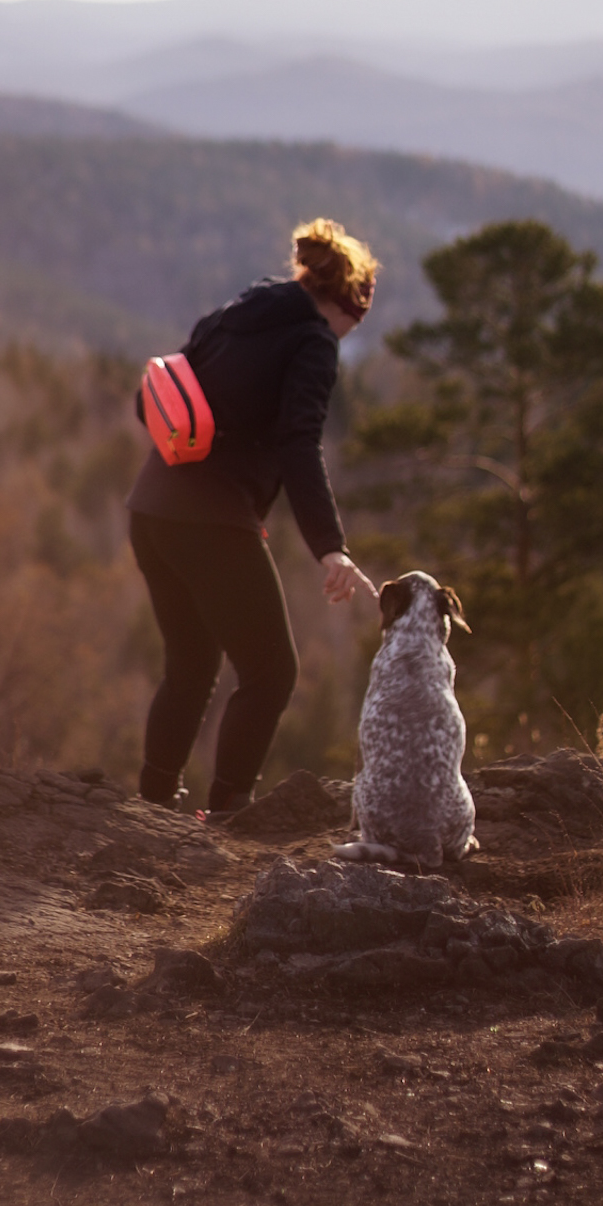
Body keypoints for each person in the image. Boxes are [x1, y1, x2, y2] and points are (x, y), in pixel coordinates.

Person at [126, 217, 379, 817]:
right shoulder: (314, 341)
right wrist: (331, 547)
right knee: (271, 673)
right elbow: (300, 444)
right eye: (355, 323)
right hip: (211, 522)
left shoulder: (237, 312)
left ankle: (156, 802)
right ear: (348, 305)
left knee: (191, 665)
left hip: (152, 508)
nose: (346, 336)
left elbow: (156, 398)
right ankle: (231, 810)